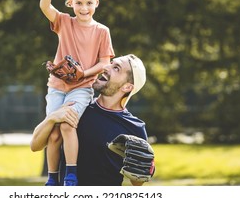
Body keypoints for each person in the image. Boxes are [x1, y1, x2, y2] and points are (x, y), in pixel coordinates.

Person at [38, 0, 115, 186]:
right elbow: (45, 6)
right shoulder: (64, 22)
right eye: (79, 2)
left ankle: (71, 174)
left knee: (67, 125)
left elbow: (104, 64)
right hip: (57, 86)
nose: (84, 8)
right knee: (52, 133)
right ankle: (52, 177)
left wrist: (82, 74)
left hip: (82, 88)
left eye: (89, 2)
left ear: (97, 3)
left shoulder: (102, 31)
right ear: (70, 2)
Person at [30, 54, 150, 186]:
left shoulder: (134, 128)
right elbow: (35, 146)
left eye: (116, 68)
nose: (105, 67)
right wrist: (52, 118)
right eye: (110, 63)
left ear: (127, 87)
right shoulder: (78, 108)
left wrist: (143, 170)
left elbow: (137, 182)